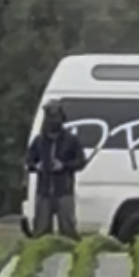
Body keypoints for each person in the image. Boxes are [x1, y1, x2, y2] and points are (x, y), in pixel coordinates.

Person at [26, 100, 87, 238]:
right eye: (50, 117)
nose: (53, 120)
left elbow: (81, 161)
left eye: (55, 116)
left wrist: (64, 165)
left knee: (68, 231)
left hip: (64, 191)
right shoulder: (39, 141)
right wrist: (37, 166)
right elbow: (28, 160)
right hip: (44, 192)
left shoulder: (71, 140)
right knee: (41, 232)